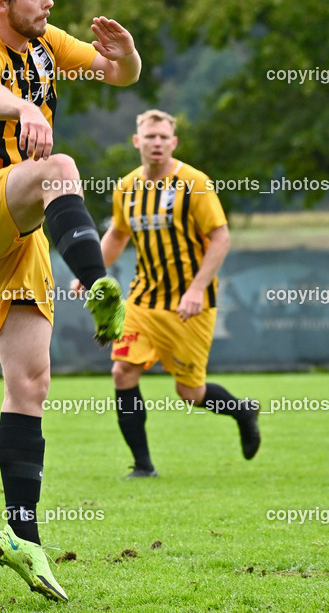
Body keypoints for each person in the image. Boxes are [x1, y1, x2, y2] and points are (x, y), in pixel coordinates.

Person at [0, 0, 141, 603]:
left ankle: (20, 534)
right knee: (61, 169)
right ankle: (100, 282)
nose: (49, 3)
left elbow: (118, 74)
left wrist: (127, 51)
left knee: (30, 382)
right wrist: (24, 108)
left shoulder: (47, 41)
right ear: (1, 2)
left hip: (18, 236)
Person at [73, 109, 260, 479]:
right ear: (137, 141)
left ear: (173, 143)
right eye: (150, 136)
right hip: (143, 300)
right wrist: (89, 272)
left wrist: (195, 289)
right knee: (122, 372)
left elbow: (220, 238)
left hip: (190, 305)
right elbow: (117, 235)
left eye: (163, 137)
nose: (156, 143)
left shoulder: (195, 183)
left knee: (190, 392)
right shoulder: (127, 187)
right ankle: (143, 466)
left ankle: (241, 411)